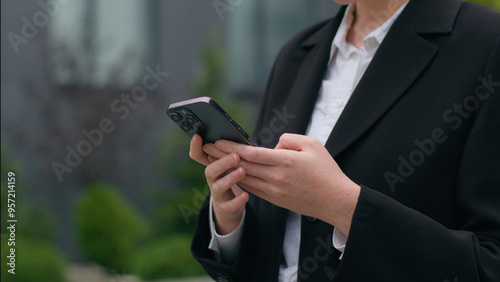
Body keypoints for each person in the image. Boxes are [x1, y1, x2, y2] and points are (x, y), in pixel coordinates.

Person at [188, 0, 500, 281]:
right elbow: (278, 249)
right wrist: (231, 218)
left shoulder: (486, 42)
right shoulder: (297, 53)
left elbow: (490, 261)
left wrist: (344, 206)